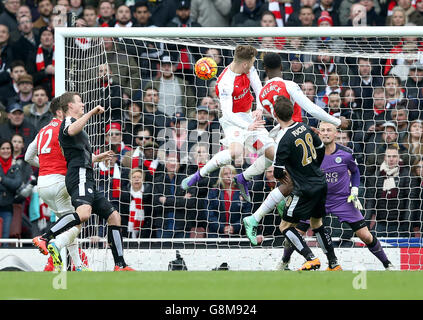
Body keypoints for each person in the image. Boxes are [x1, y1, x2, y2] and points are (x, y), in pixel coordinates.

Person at [31, 91, 134, 271]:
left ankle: (120, 265)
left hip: (86, 176)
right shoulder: (68, 122)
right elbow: (70, 131)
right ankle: (46, 238)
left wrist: (96, 157)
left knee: (114, 216)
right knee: (83, 214)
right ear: (70, 106)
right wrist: (93, 111)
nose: (83, 104)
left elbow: (76, 154)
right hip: (78, 176)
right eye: (79, 101)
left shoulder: (71, 127)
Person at [278, 122, 394, 270]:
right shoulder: (309, 154)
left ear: (336, 134)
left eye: (329, 130)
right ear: (318, 133)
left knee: (365, 235)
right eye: (323, 130)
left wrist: (355, 190)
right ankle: (284, 261)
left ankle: (387, 264)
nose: (325, 133)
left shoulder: (346, 153)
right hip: (315, 199)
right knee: (296, 232)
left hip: (341, 200)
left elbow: (356, 172)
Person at [233, 52, 346, 203]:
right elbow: (311, 109)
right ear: (281, 66)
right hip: (293, 135)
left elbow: (279, 114)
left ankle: (243, 177)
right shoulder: (288, 84)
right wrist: (337, 122)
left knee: (272, 160)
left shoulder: (261, 93)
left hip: (283, 131)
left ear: (265, 68)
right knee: (302, 177)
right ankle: (282, 205)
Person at [244, 95, 341, 271]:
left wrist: (295, 174)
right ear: (292, 111)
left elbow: (278, 171)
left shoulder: (283, 139)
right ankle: (333, 263)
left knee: (285, 226)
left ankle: (310, 258)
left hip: (304, 189)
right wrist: (312, 168)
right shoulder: (305, 127)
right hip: (320, 182)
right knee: (317, 223)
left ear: (275, 115)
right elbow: (320, 149)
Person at [181, 45, 274, 195]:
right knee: (235, 151)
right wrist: (247, 125)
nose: (253, 65)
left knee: (272, 154)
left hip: (249, 116)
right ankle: (198, 175)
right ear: (245, 63)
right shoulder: (225, 83)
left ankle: (243, 178)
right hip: (233, 121)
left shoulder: (248, 68)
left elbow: (259, 89)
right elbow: (228, 114)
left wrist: (259, 108)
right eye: (252, 62)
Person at [25, 96, 87, 271]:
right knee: (77, 220)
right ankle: (55, 244)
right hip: (60, 181)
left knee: (66, 222)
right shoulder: (66, 129)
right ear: (61, 111)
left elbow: (28, 157)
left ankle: (78, 265)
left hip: (42, 183)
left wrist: (43, 164)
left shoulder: (42, 130)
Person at [207, 165, 252, 237]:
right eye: (225, 174)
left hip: (239, 234)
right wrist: (221, 228)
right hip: (216, 235)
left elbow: (247, 213)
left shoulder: (243, 191)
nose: (229, 176)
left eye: (231, 173)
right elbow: (209, 213)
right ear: (221, 176)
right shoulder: (214, 192)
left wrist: (235, 227)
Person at [119, 168, 153, 238]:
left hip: (145, 230)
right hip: (127, 230)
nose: (136, 179)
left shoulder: (149, 193)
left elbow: (150, 215)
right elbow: (122, 215)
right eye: (134, 177)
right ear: (130, 180)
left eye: (139, 177)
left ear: (143, 180)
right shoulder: (124, 194)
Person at [0, 139, 22, 243]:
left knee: (5, 238)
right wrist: (9, 185)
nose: (5, 150)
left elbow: (17, 184)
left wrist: (2, 180)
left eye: (8, 148)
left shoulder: (16, 166)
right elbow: (12, 185)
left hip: (7, 208)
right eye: (3, 148)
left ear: (11, 150)